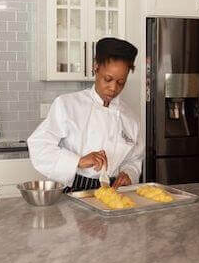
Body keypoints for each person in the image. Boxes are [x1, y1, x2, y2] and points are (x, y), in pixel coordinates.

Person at [28, 38, 143, 192]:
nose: (113, 88)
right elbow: (39, 146)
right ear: (96, 67)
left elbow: (134, 159)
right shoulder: (67, 105)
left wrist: (129, 173)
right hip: (75, 189)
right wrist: (78, 161)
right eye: (107, 79)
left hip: (113, 192)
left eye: (121, 82)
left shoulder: (131, 118)